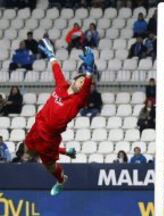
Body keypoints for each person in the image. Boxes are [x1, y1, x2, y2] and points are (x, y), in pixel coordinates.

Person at [22, 39, 95, 196]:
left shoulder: (77, 101)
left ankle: (62, 179)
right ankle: (66, 151)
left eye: (84, 83)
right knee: (28, 150)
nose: (82, 84)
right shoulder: (62, 86)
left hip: (50, 136)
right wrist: (52, 56)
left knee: (49, 166)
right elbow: (57, 72)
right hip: (37, 126)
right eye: (80, 80)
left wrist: (89, 72)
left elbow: (86, 88)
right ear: (74, 80)